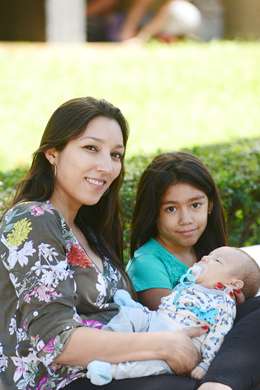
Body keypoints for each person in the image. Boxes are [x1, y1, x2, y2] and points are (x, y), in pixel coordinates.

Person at [0, 97, 209, 390]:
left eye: (115, 155)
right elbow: (58, 342)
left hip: (117, 371)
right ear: (52, 153)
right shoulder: (34, 218)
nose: (107, 166)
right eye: (91, 148)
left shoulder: (92, 231)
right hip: (62, 382)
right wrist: (162, 344)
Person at [128, 151, 260, 390]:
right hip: (179, 354)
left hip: (215, 345)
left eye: (195, 205)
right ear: (153, 212)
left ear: (210, 205)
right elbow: (175, 323)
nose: (186, 219)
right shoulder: (147, 263)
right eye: (171, 209)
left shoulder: (209, 252)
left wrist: (233, 301)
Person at [87, 246, 260, 385]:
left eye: (217, 260)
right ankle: (108, 338)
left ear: (234, 283)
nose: (206, 259)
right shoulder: (189, 284)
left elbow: (218, 334)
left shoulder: (224, 302)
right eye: (208, 255)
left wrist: (206, 363)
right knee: (131, 315)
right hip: (158, 320)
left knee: (154, 365)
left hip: (186, 339)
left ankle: (110, 371)